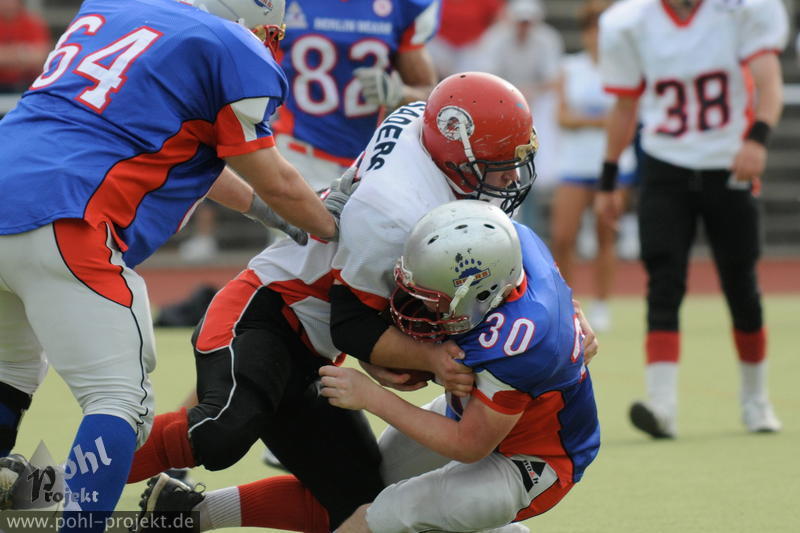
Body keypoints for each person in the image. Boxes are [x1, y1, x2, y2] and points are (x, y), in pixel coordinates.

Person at [130, 72, 596, 532]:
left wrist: (567, 315)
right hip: (275, 307)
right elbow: (350, 324)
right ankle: (91, 475)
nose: (511, 177)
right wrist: (428, 358)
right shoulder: (395, 213)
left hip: (319, 341)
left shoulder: (424, 131)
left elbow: (522, 250)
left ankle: (183, 513)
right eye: (497, 164)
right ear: (455, 155)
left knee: (358, 502)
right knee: (222, 431)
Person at [0, 0, 338, 527]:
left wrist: (263, 208)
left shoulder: (121, 10)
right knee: (118, 401)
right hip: (68, 212)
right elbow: (276, 177)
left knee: (7, 373)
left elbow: (180, 146)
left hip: (13, 179)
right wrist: (334, 230)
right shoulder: (227, 44)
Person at [594, 0, 788, 438]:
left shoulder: (740, 9)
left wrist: (758, 139)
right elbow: (624, 106)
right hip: (665, 166)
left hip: (728, 162)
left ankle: (756, 400)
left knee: (741, 284)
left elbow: (769, 83)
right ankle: (662, 405)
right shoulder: (630, 22)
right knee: (663, 282)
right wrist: (608, 179)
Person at [273, 0, 440, 191]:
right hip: (298, 152)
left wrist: (399, 94)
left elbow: (431, 96)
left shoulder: (402, 5)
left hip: (370, 161)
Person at [549, 0, 636, 332]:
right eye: (590, 30)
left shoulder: (625, 67)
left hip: (612, 166)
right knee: (563, 236)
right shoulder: (570, 67)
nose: (596, 37)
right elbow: (562, 116)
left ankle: (602, 304)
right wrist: (601, 121)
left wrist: (587, 120)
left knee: (605, 237)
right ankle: (567, 303)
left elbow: (629, 117)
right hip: (574, 165)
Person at [426, 0, 503, 79]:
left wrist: (483, 40)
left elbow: (497, 20)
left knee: (477, 71)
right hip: (440, 44)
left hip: (471, 46)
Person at [0, 0, 50, 94]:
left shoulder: (32, 22)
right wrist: (22, 52)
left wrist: (5, 54)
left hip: (27, 83)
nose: (7, 3)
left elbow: (40, 57)